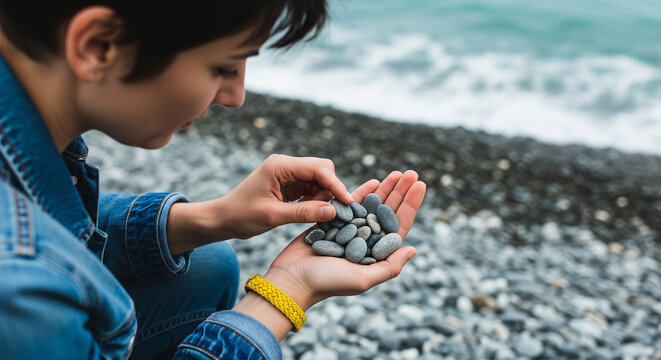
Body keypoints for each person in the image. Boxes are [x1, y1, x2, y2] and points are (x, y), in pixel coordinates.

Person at [0, 1, 426, 359]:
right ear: (98, 47)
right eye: (222, 67)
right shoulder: (21, 283)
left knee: (209, 265)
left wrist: (214, 218)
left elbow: (59, 225)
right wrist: (288, 292)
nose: (235, 97)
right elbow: (39, 248)